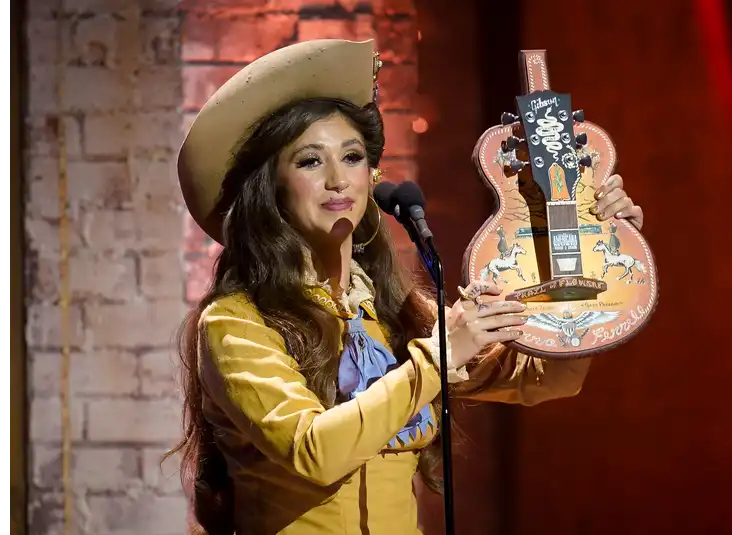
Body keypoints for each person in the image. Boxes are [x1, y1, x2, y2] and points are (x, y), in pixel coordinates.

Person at [169, 39, 645, 535]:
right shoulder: (236, 322)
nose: (338, 180)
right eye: (310, 161)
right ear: (270, 188)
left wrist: (596, 252)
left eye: (352, 157)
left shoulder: (392, 313)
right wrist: (440, 355)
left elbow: (548, 379)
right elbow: (314, 451)